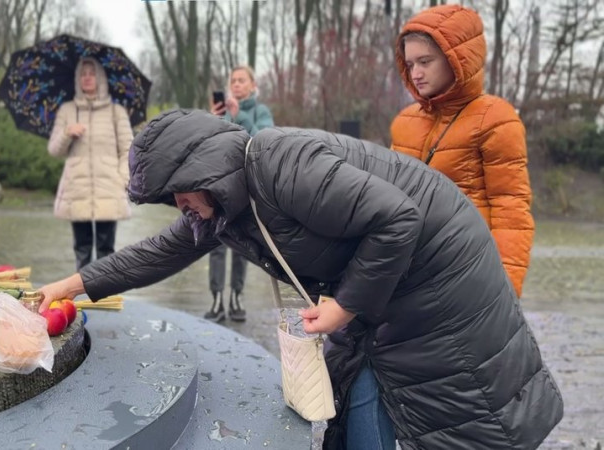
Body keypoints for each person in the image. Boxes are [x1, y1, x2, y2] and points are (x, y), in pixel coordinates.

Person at [38, 109, 562, 449]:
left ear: (200, 169)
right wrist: (68, 288)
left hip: (435, 281)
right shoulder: (227, 206)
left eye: (177, 192)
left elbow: (397, 220)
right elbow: (158, 252)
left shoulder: (281, 163)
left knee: (452, 413)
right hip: (381, 290)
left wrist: (344, 307)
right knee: (352, 398)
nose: (178, 206)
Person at [389, 5, 534, 298]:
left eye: (425, 61)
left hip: (467, 272)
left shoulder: (495, 118)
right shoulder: (405, 122)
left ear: (456, 58)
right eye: (410, 64)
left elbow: (511, 211)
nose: (416, 73)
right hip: (409, 274)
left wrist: (504, 293)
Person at [47, 57, 133, 270]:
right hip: (77, 189)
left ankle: (105, 289)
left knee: (106, 249)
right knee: (82, 249)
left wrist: (122, 178)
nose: (87, 78)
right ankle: (82, 288)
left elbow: (128, 150)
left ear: (100, 78)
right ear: (77, 79)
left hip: (108, 187)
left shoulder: (116, 112)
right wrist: (67, 133)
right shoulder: (67, 110)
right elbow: (54, 150)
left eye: (91, 73)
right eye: (82, 74)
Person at [206, 65, 274, 322]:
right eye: (233, 80)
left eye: (241, 80)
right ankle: (216, 298)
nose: (236, 84)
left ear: (253, 85)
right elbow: (209, 147)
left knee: (242, 245)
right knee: (216, 243)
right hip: (219, 186)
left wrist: (240, 116)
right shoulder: (221, 113)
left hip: (246, 187)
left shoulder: (260, 112)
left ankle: (236, 296)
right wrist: (213, 119)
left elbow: (265, 144)